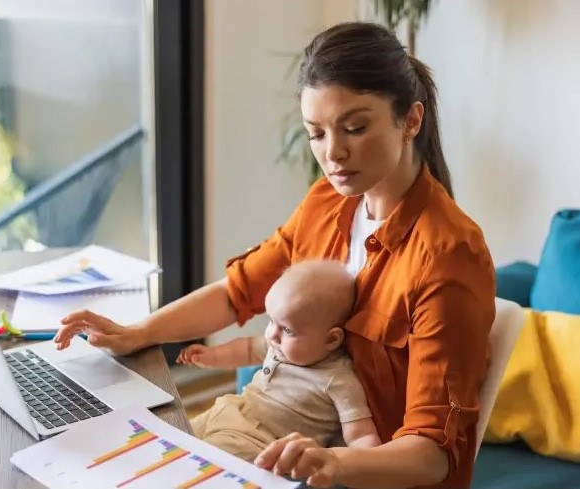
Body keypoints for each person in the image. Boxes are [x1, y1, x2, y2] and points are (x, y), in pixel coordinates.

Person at [54, 21, 495, 489]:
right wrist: (138, 332)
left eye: (355, 128)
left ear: (410, 120)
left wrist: (336, 462)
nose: (334, 154)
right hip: (273, 451)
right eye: (316, 133)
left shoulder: (449, 257)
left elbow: (432, 457)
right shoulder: (328, 202)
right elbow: (236, 294)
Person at [177, 259, 381, 463]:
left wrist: (372, 463)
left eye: (287, 329)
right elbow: (247, 349)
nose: (272, 335)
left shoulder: (339, 380)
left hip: (258, 442)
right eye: (271, 321)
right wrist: (211, 356)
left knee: (199, 465)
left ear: (331, 339)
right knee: (172, 439)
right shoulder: (279, 346)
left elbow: (360, 435)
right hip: (226, 410)